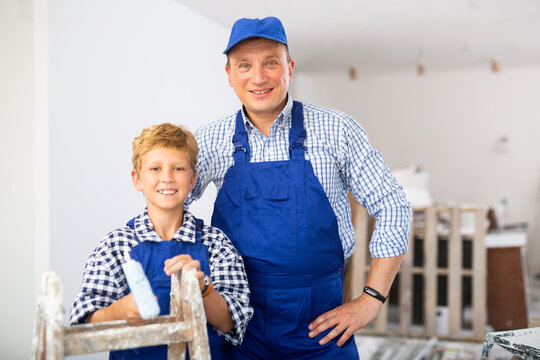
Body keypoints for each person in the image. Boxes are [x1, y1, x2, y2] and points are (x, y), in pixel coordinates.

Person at [188, 16, 412, 359]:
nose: (259, 77)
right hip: (236, 326)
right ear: (229, 75)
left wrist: (371, 300)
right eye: (244, 65)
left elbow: (393, 204)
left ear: (289, 69)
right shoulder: (208, 141)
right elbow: (170, 208)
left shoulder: (336, 129)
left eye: (271, 63)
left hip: (319, 328)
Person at [70, 123, 253, 360]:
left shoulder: (216, 243)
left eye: (178, 169)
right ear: (137, 179)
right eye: (155, 169)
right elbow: (86, 321)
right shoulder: (116, 245)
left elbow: (230, 322)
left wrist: (204, 289)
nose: (167, 178)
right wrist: (119, 311)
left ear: (192, 179)